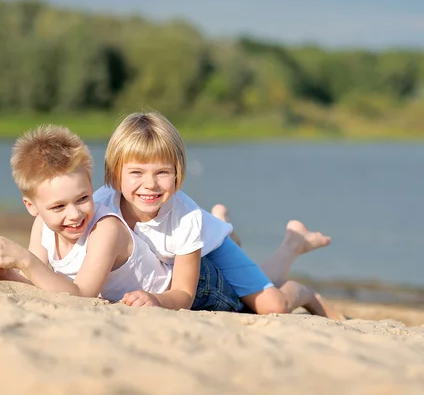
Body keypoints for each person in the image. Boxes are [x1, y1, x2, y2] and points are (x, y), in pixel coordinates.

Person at [94, 111, 345, 319]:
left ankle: (303, 287)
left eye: (162, 172)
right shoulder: (102, 203)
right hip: (188, 243)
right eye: (136, 173)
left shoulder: (186, 218)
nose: (150, 184)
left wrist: (156, 300)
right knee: (245, 287)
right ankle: (236, 226)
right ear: (115, 173)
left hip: (211, 243)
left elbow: (183, 293)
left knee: (271, 306)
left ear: (178, 172)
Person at [0, 124, 243, 311]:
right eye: (58, 207)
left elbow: (81, 293)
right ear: (32, 207)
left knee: (263, 301)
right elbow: (46, 282)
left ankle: (231, 237)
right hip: (159, 287)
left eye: (83, 199)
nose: (74, 214)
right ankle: (221, 228)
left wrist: (23, 260)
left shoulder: (106, 229)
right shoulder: (42, 226)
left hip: (192, 287)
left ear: (92, 189)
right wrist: (9, 273)